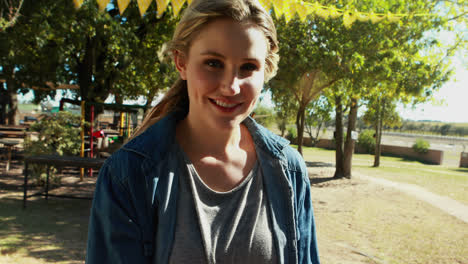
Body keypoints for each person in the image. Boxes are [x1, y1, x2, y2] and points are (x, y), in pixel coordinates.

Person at [85, 0, 320, 263]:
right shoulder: (128, 174)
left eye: (248, 67)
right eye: (213, 63)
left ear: (265, 71)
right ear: (181, 62)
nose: (231, 87)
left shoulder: (289, 170)